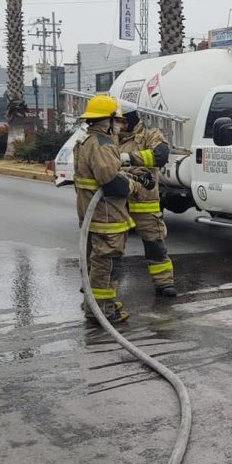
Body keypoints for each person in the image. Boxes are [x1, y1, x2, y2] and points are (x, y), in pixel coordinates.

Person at [73, 95, 155, 324]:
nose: (120, 125)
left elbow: (104, 174)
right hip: (107, 217)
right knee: (106, 265)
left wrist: (129, 173)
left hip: (93, 217)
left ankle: (95, 304)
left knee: (96, 262)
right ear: (107, 121)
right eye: (117, 121)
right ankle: (102, 311)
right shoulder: (104, 145)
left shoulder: (85, 141)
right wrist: (137, 185)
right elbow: (112, 184)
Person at [117, 100, 177, 297]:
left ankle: (164, 283)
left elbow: (160, 155)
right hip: (117, 202)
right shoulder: (109, 138)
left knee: (155, 245)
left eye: (120, 121)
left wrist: (130, 158)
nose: (117, 125)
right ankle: (103, 286)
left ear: (129, 120)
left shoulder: (151, 135)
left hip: (145, 202)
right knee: (111, 246)